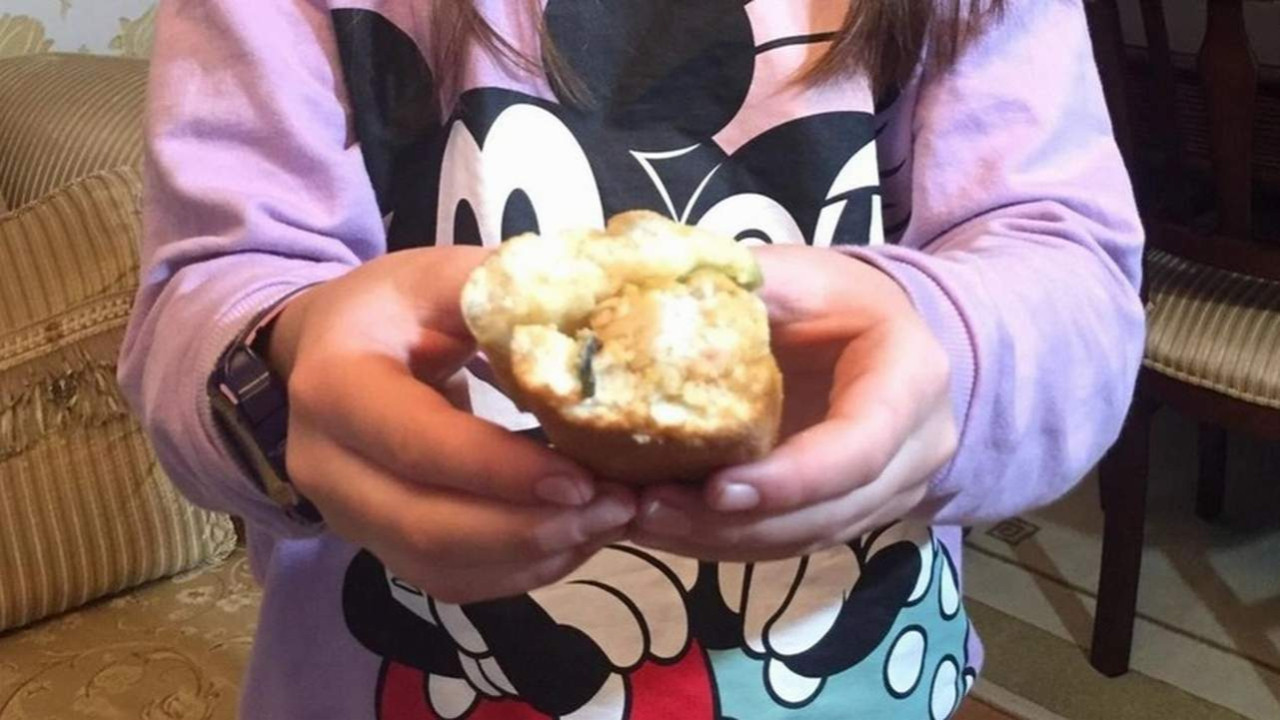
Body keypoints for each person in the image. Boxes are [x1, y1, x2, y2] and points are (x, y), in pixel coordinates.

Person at [120, 0, 1145, 717]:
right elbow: (198, 303)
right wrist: (285, 372)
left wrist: (944, 352)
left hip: (857, 675)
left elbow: (1073, 279)